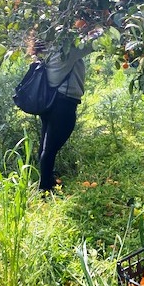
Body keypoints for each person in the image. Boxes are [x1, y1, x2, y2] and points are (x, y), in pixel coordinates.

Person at [27, 28, 103, 192]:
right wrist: (104, 26)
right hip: (63, 103)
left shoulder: (44, 52)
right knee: (50, 148)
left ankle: (47, 180)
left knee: (47, 144)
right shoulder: (63, 51)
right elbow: (91, 44)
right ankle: (44, 189)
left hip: (50, 101)